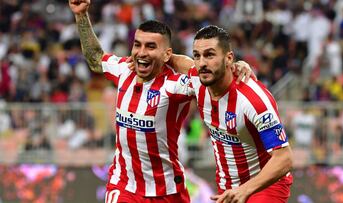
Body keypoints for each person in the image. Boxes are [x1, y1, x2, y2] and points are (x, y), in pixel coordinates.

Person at [68, 1, 254, 202]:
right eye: (137, 45)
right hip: (124, 186)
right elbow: (96, 59)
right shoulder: (123, 69)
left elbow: (207, 74)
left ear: (167, 54)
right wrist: (81, 15)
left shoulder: (175, 86)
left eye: (150, 46)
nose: (141, 52)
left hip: (167, 191)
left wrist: (231, 67)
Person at [169, 25, 293, 203]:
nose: (202, 63)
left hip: (265, 186)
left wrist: (245, 190)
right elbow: (179, 62)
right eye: (197, 55)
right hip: (227, 188)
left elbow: (284, 158)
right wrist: (154, 55)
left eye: (210, 55)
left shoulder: (252, 100)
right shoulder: (198, 80)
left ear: (229, 58)